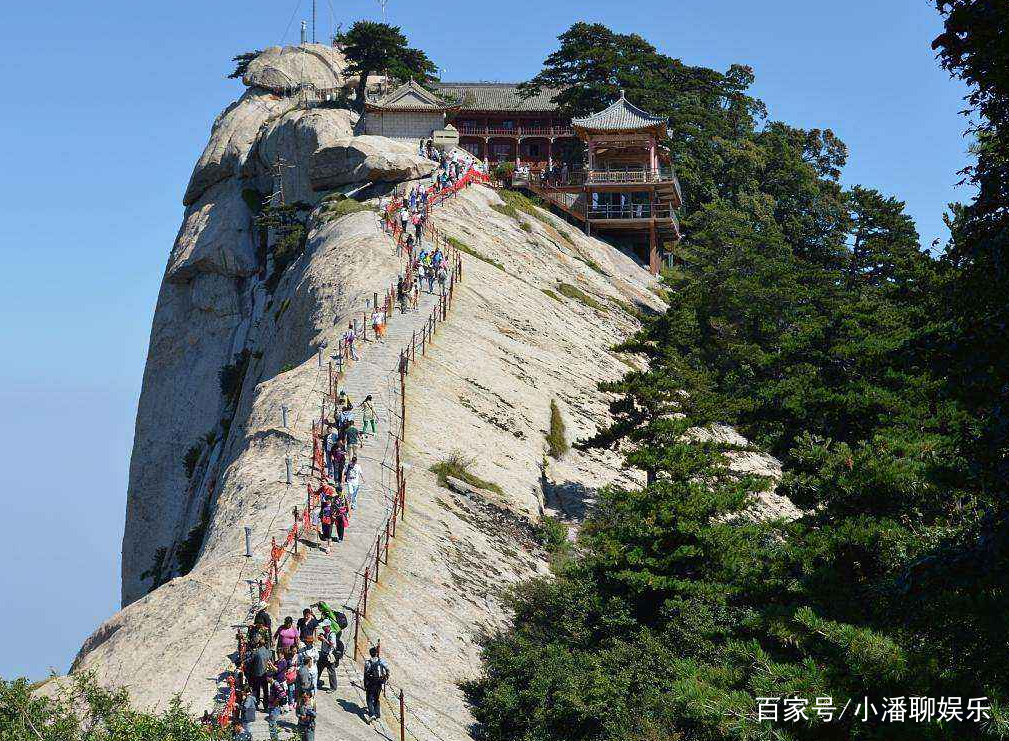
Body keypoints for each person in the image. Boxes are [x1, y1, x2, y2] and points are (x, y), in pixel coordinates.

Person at [363, 646, 390, 723]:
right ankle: (377, 713)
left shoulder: (368, 662)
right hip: (379, 682)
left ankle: (372, 714)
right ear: (376, 653)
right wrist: (386, 677)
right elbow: (387, 669)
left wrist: (365, 683)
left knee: (369, 698)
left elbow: (366, 674)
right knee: (376, 698)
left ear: (370, 654)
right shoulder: (381, 661)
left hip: (371, 683)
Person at [247, 638, 273, 710]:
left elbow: (250, 661)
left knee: (257, 690)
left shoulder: (256, 652)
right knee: (265, 690)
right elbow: (270, 658)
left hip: (257, 674)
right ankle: (266, 705)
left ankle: (257, 703)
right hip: (265, 674)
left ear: (258, 644)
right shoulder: (268, 652)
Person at [316, 624, 340, 690]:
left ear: (328, 626)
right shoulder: (325, 633)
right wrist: (321, 639)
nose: (323, 628)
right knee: (318, 669)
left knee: (331, 672)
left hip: (329, 655)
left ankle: (333, 687)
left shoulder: (332, 634)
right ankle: (316, 682)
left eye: (324, 627)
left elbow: (332, 644)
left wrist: (324, 639)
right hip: (323, 654)